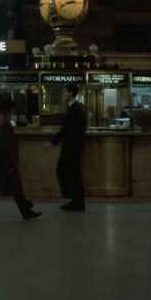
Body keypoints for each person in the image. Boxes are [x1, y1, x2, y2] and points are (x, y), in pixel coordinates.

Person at [0, 95, 41, 219]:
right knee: (14, 188)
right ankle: (26, 210)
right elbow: (6, 146)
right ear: (9, 109)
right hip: (5, 164)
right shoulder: (5, 124)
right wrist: (10, 164)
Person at [44, 83, 87, 212]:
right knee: (72, 174)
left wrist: (52, 142)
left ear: (70, 93)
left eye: (64, 92)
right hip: (73, 146)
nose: (63, 94)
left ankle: (75, 200)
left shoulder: (74, 109)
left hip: (72, 147)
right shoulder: (75, 107)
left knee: (66, 172)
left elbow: (67, 129)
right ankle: (75, 200)